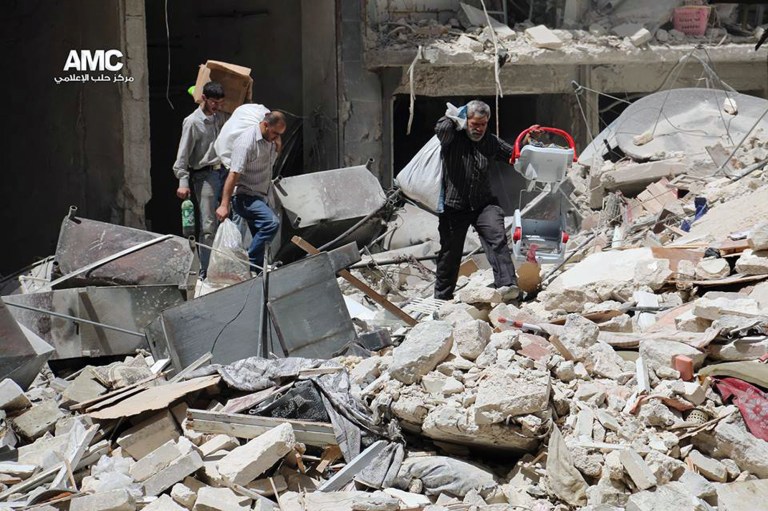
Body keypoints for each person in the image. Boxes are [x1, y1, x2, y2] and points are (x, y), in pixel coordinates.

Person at [433, 100, 519, 301]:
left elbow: (514, 155)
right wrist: (454, 117)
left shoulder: (490, 141)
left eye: (483, 124)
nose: (479, 129)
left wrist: (529, 146)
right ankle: (442, 299)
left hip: (483, 204)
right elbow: (441, 129)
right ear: (466, 122)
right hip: (454, 206)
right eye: (474, 124)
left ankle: (508, 286)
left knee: (497, 238)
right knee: (450, 253)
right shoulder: (452, 137)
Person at [172, 81, 230, 278]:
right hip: (205, 176)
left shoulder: (221, 117)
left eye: (220, 103)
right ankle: (206, 272)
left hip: (224, 173)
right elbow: (182, 156)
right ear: (203, 98)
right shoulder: (192, 122)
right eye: (214, 102)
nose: (217, 106)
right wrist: (183, 182)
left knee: (228, 220)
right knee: (208, 226)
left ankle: (226, 267)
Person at [215, 111, 286, 270]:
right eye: (275, 133)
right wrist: (224, 205)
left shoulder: (271, 140)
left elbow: (270, 161)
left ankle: (256, 271)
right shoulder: (246, 143)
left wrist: (278, 147)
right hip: (245, 197)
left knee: (262, 241)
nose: (277, 137)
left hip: (261, 197)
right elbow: (233, 174)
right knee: (271, 223)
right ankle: (248, 263)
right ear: (266, 125)